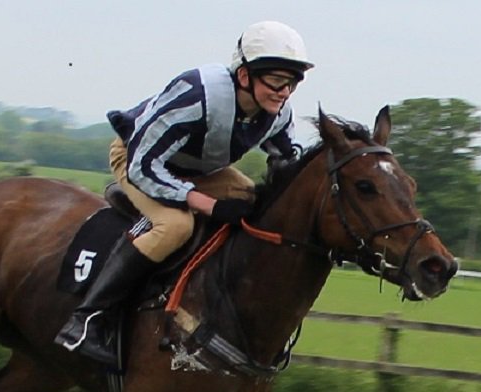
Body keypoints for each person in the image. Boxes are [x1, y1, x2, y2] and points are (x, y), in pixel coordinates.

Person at [55, 21, 314, 365]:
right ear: (243, 76)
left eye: (292, 83)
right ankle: (87, 320)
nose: (284, 92)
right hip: (138, 160)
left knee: (254, 202)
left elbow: (288, 162)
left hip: (197, 169)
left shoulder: (277, 113)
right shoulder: (197, 97)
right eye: (277, 81)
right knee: (175, 226)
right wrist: (205, 204)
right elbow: (142, 166)